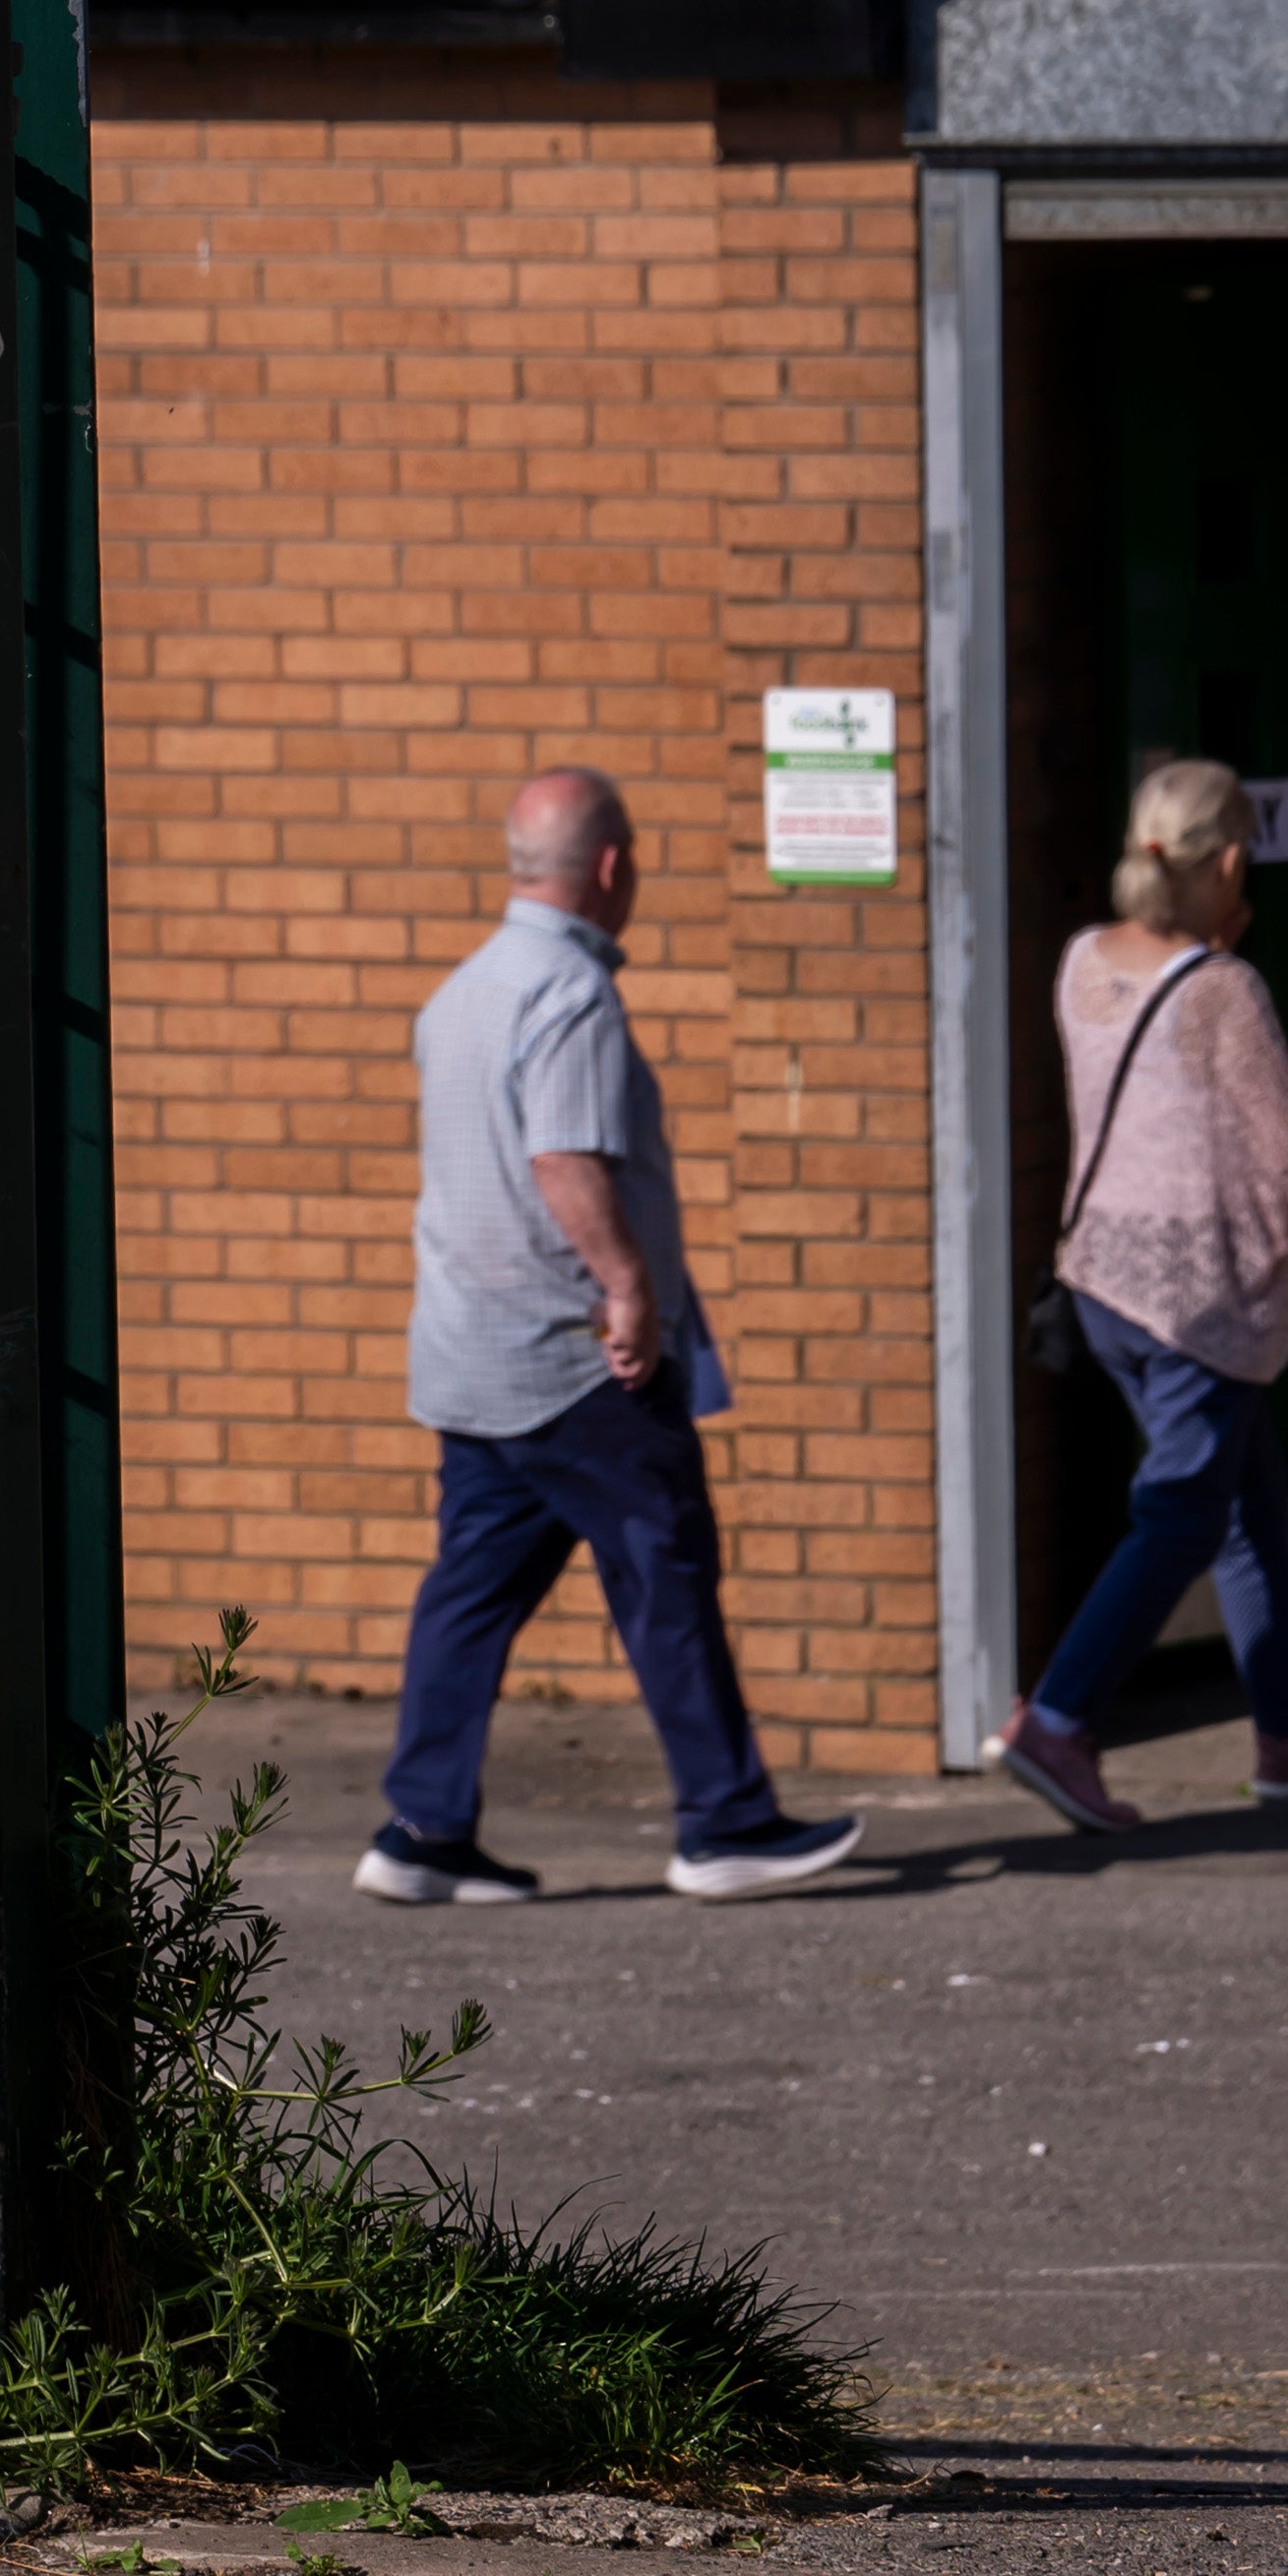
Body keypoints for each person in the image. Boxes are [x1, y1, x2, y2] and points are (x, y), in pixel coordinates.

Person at [371, 767, 879, 1903]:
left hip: (468, 1351)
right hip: (574, 1358)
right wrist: (629, 1291)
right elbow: (562, 1160)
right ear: (610, 866)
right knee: (665, 1566)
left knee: (472, 1586)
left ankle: (420, 1831)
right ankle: (725, 1821)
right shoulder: (570, 993)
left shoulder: (459, 991)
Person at [997, 756, 1288, 1831]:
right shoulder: (1224, 990)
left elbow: (1163, 1110)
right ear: (1226, 861)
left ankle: (1287, 1730)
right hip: (1192, 1304)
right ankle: (1057, 1719)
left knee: (1246, 1503)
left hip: (1101, 1284)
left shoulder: (1082, 960)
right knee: (1181, 1516)